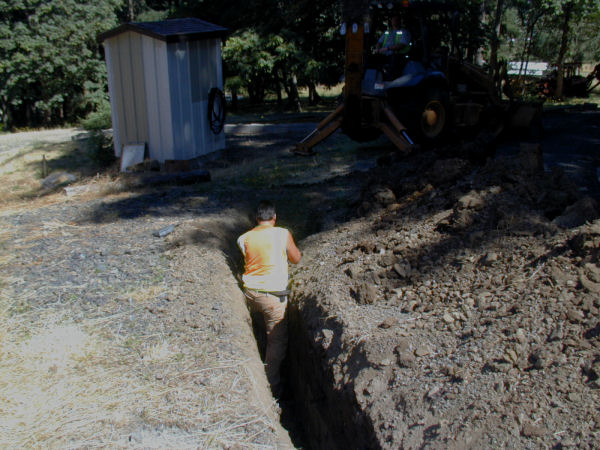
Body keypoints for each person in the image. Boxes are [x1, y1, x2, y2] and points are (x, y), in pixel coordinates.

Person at [237, 200, 301, 396]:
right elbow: (296, 258)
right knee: (277, 341)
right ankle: (270, 384)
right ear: (274, 217)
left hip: (249, 294)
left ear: (256, 219)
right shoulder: (282, 234)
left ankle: (259, 348)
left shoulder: (243, 238)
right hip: (273, 297)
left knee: (259, 331)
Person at [374, 14, 412, 79]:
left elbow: (401, 45)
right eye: (393, 20)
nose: (394, 21)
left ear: (399, 21)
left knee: (394, 60)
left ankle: (391, 79)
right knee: (373, 59)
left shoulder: (404, 32)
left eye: (396, 20)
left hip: (400, 55)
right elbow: (379, 42)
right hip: (386, 54)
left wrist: (387, 49)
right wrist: (378, 49)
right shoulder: (387, 32)